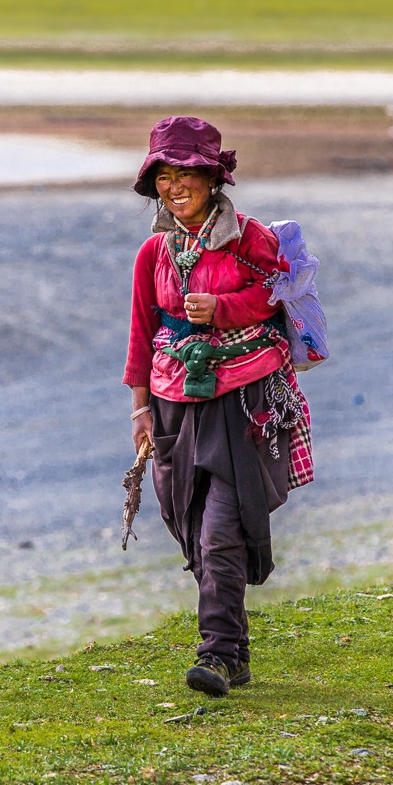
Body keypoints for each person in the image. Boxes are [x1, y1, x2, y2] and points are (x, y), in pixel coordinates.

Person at [123, 116, 314, 697]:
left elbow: (278, 292)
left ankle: (219, 655)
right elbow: (141, 333)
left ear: (212, 179)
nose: (174, 186)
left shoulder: (250, 237)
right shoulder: (153, 252)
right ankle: (236, 647)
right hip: (173, 403)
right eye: (164, 175)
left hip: (242, 401)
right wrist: (140, 411)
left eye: (186, 174)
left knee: (220, 532)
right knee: (188, 526)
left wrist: (223, 309)